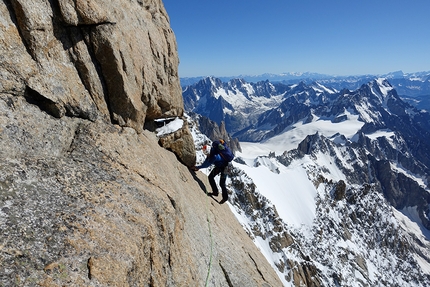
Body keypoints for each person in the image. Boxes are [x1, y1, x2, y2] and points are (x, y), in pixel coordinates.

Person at [191, 140, 234, 204]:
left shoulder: (213, 157)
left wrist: (197, 167)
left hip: (226, 168)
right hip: (220, 166)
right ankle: (215, 192)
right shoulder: (213, 150)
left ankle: (225, 198)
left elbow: (206, 165)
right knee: (211, 177)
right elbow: (207, 160)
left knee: (221, 183)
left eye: (207, 154)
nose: (206, 155)